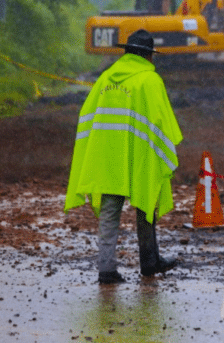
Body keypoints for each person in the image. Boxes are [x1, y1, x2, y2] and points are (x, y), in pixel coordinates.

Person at [65, 29, 183, 285]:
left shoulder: (106, 79)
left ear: (128, 52)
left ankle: (106, 270)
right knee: (145, 205)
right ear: (147, 56)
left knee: (109, 214)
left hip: (107, 157)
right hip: (139, 155)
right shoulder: (150, 81)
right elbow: (162, 123)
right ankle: (149, 263)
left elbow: (87, 114)